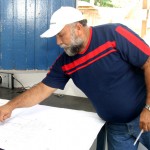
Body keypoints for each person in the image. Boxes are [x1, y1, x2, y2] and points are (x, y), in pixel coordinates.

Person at [0, 6, 150, 150]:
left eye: (60, 35)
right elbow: (42, 89)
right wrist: (9, 106)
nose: (58, 42)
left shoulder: (115, 33)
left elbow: (148, 63)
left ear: (78, 28)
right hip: (116, 127)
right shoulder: (65, 62)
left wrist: (148, 108)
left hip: (145, 114)